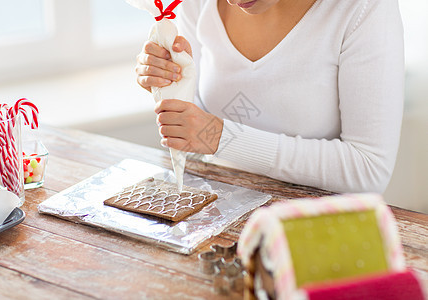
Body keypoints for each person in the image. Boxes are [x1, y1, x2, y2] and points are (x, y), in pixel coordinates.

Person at [135, 0, 405, 193]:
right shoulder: (197, 5)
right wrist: (169, 84)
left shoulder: (362, 8)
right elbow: (199, 131)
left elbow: (370, 169)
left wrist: (220, 138)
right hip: (220, 214)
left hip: (320, 231)